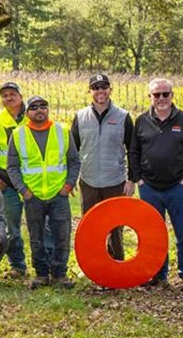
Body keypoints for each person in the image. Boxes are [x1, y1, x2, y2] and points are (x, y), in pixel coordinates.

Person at [7, 95, 80, 289]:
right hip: (33, 196)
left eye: (43, 106)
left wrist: (68, 186)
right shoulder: (18, 134)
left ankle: (59, 274)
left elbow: (74, 161)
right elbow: (12, 166)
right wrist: (23, 190)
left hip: (59, 194)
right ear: (27, 112)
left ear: (47, 110)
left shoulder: (62, 130)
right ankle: (41, 274)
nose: (39, 110)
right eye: (34, 107)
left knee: (62, 235)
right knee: (36, 236)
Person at [71, 73, 134, 261]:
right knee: (90, 225)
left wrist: (131, 179)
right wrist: (71, 178)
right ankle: (93, 264)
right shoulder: (80, 117)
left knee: (115, 226)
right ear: (90, 91)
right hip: (89, 180)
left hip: (115, 181)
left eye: (104, 87)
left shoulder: (123, 116)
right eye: (96, 87)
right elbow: (73, 151)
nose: (100, 91)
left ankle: (117, 264)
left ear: (110, 90)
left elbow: (133, 150)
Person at [129, 78, 183, 286]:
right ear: (149, 97)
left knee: (182, 232)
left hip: (177, 187)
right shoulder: (142, 121)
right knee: (153, 234)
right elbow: (133, 151)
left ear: (172, 95)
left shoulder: (181, 119)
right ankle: (157, 274)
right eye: (156, 94)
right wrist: (138, 179)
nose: (161, 98)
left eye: (165, 94)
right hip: (149, 187)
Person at [0, 81, 29, 277]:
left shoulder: (33, 115)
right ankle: (18, 265)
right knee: (11, 226)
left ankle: (48, 265)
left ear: (20, 96)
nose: (9, 98)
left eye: (12, 94)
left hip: (32, 181)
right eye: (5, 95)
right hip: (6, 180)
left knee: (42, 225)